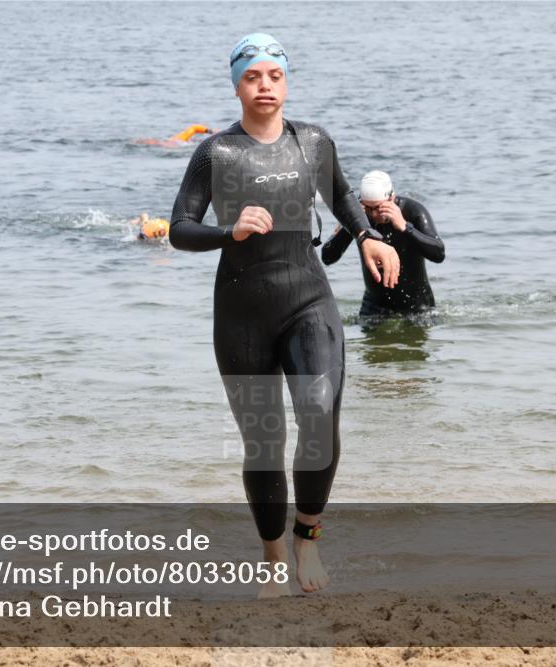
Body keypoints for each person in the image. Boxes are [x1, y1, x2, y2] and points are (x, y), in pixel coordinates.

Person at [169, 33, 399, 597]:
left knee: (319, 420)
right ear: (237, 85)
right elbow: (179, 229)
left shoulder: (313, 143)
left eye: (274, 75)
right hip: (241, 309)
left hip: (307, 300)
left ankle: (307, 540)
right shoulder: (215, 154)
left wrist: (368, 235)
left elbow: (341, 196)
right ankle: (272, 554)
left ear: (286, 81)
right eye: (253, 76)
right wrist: (230, 231)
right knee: (263, 441)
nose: (265, 85)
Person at [321, 170, 444, 320]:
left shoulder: (413, 211)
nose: (373, 215)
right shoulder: (360, 217)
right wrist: (353, 224)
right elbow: (327, 257)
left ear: (392, 198)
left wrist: (406, 227)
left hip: (417, 305)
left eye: (379, 208)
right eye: (368, 208)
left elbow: (439, 253)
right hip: (374, 306)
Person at [135, 124, 217, 148]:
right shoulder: (180, 140)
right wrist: (210, 131)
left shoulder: (179, 139)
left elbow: (194, 128)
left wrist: (211, 131)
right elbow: (194, 128)